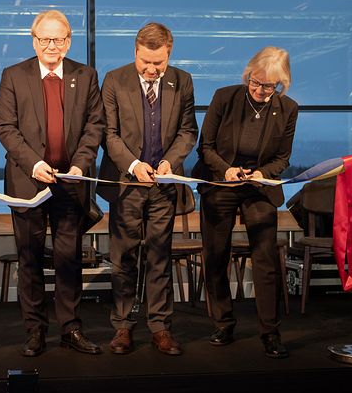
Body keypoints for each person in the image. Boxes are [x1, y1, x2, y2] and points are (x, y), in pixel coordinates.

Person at [0, 9, 106, 357]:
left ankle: (71, 328)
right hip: (29, 182)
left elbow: (95, 126)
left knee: (68, 258)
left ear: (68, 41)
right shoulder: (13, 75)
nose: (51, 46)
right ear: (34, 40)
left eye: (58, 40)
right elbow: (7, 129)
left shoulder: (85, 76)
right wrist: (35, 164)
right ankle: (34, 330)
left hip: (71, 182)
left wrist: (80, 163)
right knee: (29, 258)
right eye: (45, 39)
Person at [96, 23, 197, 355]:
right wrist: (133, 165)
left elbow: (187, 131)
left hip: (163, 186)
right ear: (135, 51)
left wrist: (171, 160)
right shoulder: (114, 79)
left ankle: (160, 327)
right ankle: (123, 326)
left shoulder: (182, 81)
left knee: (158, 257)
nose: (152, 70)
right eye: (146, 62)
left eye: (159, 63)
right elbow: (108, 134)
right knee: (123, 258)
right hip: (127, 184)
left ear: (169, 53)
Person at [191, 46, 297, 359]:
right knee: (216, 255)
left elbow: (283, 157)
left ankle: (270, 331)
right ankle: (223, 323)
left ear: (281, 83)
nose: (261, 90)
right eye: (256, 82)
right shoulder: (225, 98)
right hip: (221, 180)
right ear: (248, 74)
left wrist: (262, 173)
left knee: (265, 260)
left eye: (269, 86)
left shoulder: (288, 109)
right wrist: (227, 169)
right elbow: (205, 147)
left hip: (259, 187)